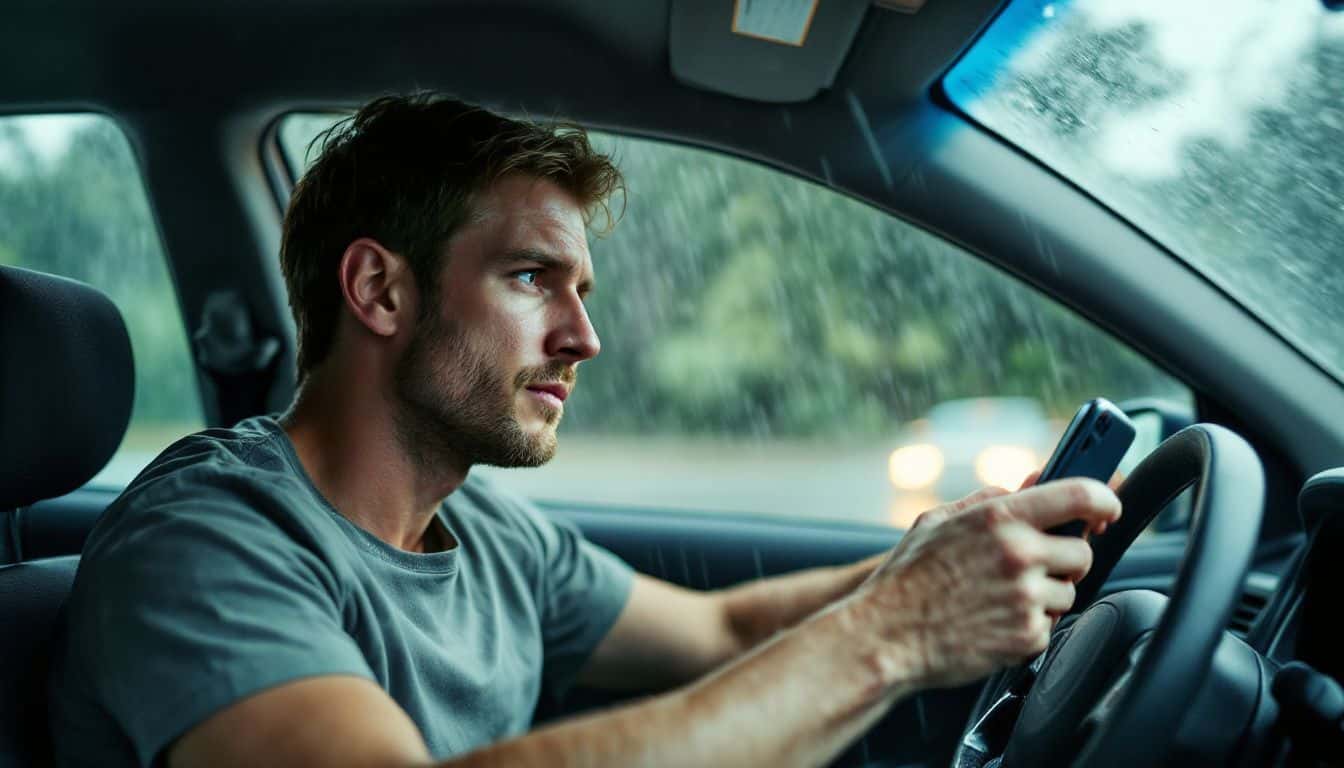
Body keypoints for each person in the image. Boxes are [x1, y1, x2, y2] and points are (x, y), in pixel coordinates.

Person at [48, 93, 1120, 768]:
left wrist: (943, 555)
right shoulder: (207, 540)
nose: (586, 338)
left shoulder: (478, 530)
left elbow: (724, 635)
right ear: (379, 289)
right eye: (532, 278)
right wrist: (897, 632)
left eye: (584, 289)